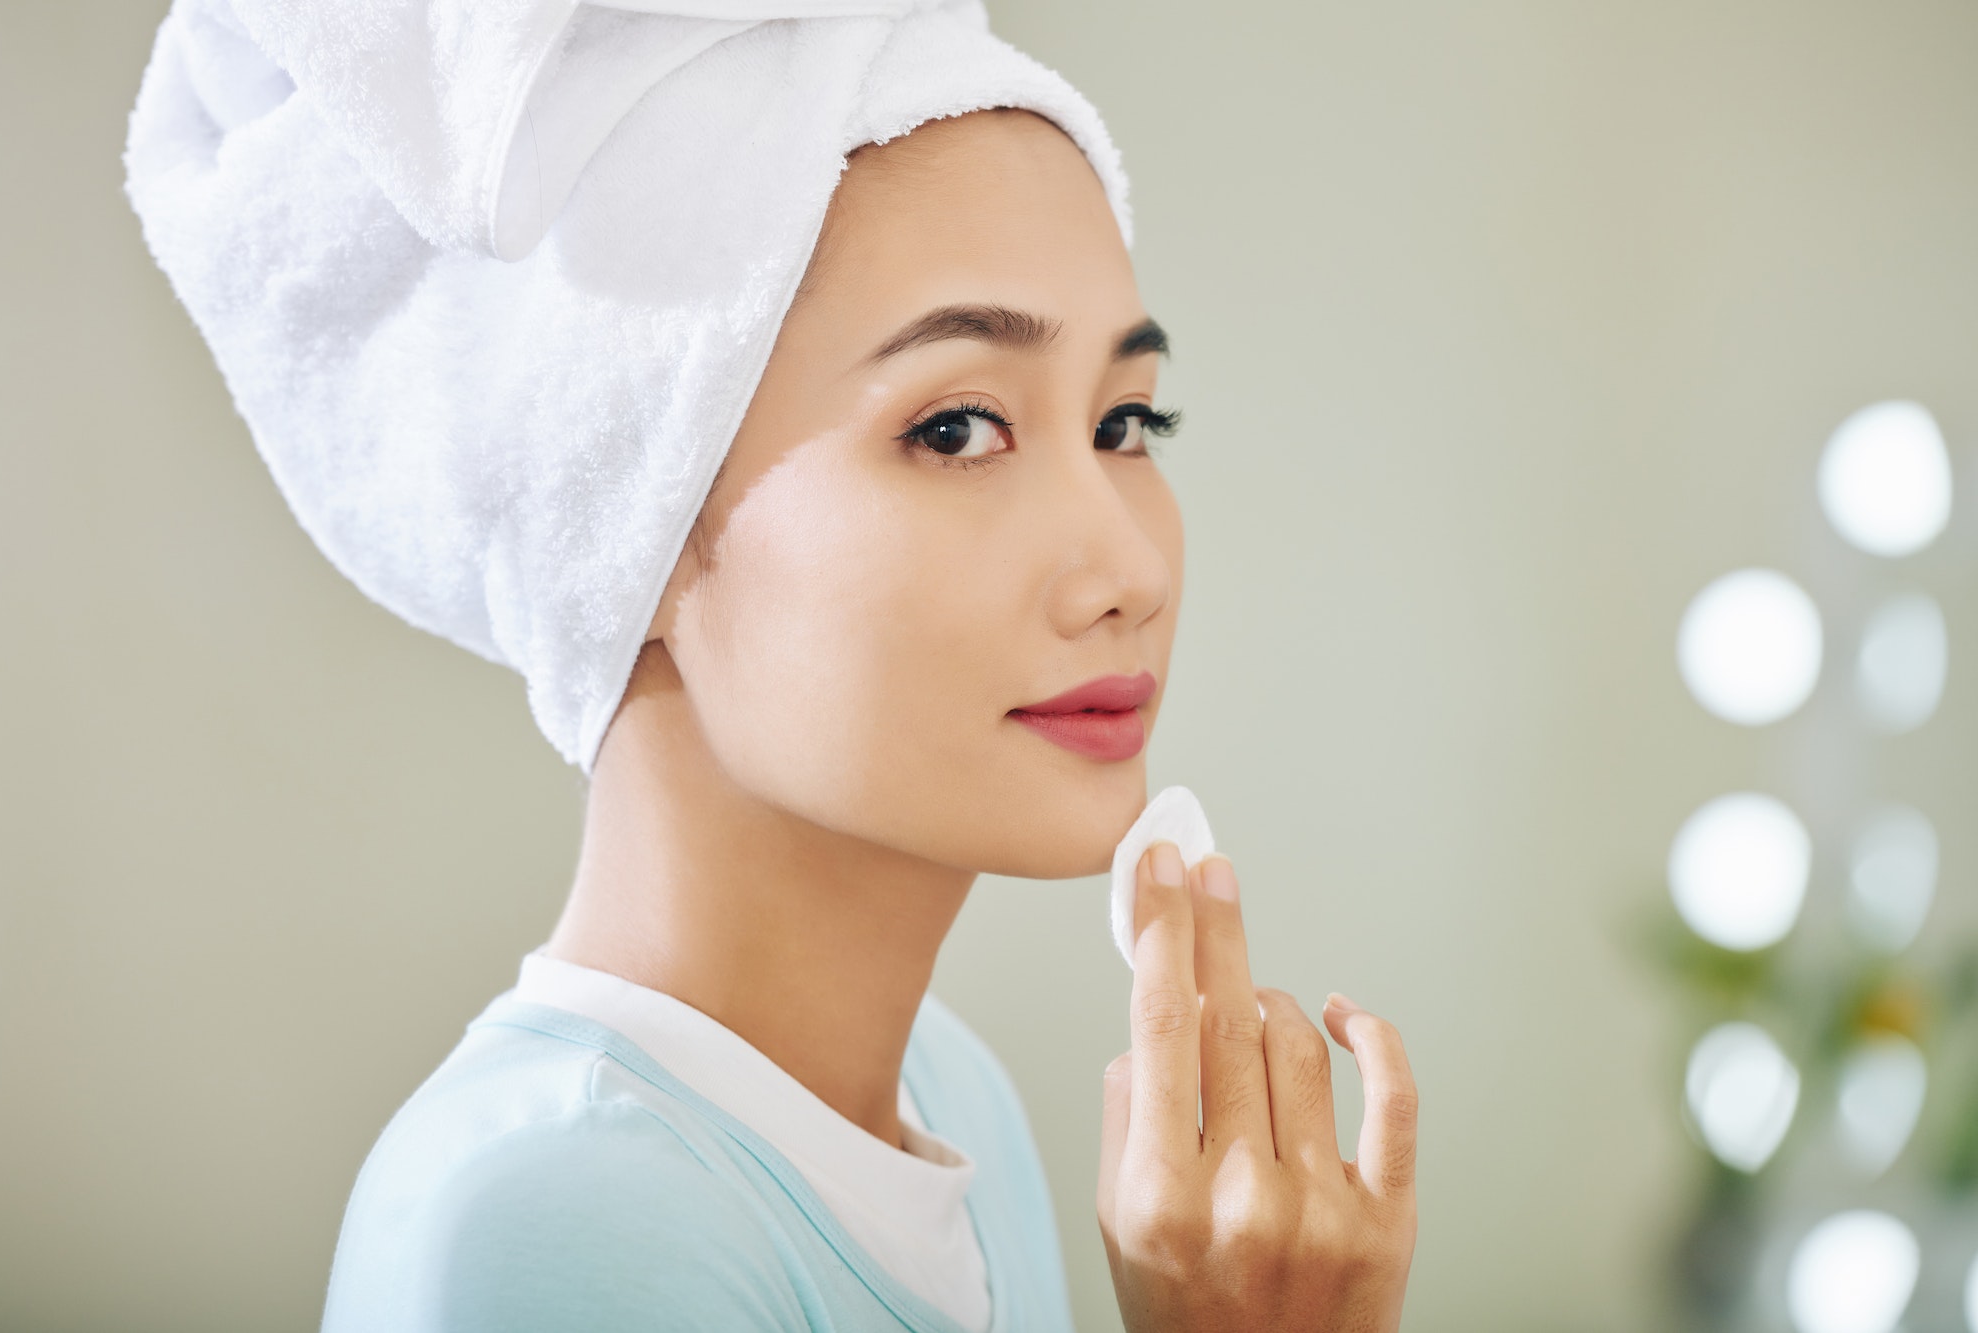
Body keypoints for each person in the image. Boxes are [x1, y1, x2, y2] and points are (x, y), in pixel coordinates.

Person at [126, 2, 1418, 1329]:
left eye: (1124, 422)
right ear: (628, 522)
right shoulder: (562, 1231)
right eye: (959, 428)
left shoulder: (948, 1101)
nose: (1129, 571)